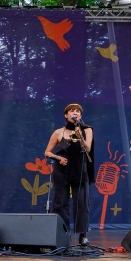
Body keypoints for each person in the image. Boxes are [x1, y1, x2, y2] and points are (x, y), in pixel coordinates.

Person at [45, 103, 94, 245]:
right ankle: (63, 233)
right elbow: (47, 152)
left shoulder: (87, 130)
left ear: (81, 115)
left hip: (80, 169)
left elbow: (88, 148)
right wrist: (59, 158)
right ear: (66, 115)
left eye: (78, 111)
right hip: (62, 170)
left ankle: (82, 235)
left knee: (82, 202)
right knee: (61, 202)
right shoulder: (58, 132)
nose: (75, 113)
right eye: (72, 111)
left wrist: (80, 136)